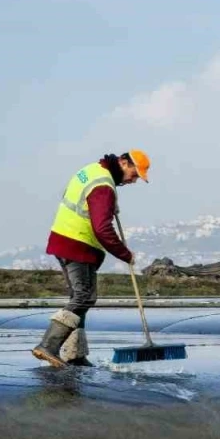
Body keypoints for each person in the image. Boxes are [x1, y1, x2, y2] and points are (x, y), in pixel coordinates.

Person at [33, 151, 149, 368]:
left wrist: (104, 206)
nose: (134, 180)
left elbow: (77, 197)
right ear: (123, 163)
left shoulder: (93, 170)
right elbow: (102, 229)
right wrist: (125, 254)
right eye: (134, 174)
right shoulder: (104, 187)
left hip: (64, 238)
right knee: (84, 297)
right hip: (78, 244)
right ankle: (48, 346)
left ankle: (74, 354)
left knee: (80, 297)